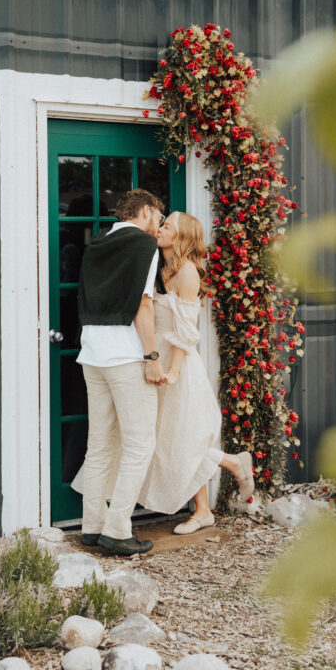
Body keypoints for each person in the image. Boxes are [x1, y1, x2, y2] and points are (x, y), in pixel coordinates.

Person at [137, 211, 255, 533]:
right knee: (173, 439)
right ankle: (223, 477)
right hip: (159, 356)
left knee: (181, 439)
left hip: (179, 362)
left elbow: (187, 332)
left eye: (167, 226)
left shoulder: (188, 273)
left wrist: (173, 371)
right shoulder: (162, 267)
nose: (160, 229)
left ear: (182, 236)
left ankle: (212, 496)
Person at [74, 187, 168, 556]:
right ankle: (117, 529)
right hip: (127, 355)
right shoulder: (144, 247)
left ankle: (91, 526)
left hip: (92, 353)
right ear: (145, 211)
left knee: (98, 445)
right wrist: (152, 356)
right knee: (139, 444)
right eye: (158, 217)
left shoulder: (96, 244)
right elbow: (142, 307)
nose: (158, 226)